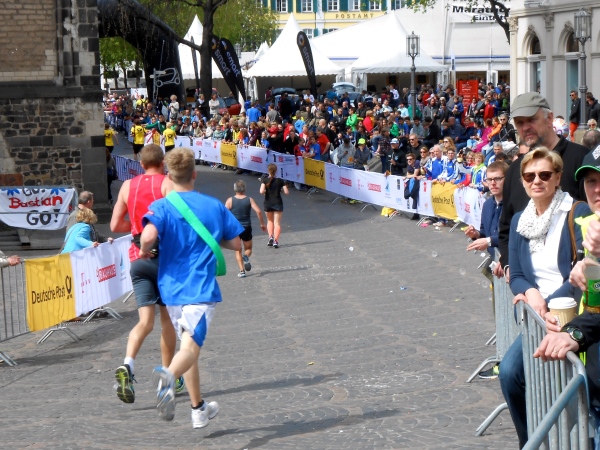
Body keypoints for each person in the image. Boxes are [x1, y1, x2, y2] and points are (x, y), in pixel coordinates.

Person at [138, 147, 242, 429]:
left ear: (169, 176)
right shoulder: (213, 206)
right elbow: (236, 243)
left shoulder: (162, 206)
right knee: (190, 348)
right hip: (199, 290)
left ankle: (198, 409)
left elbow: (147, 236)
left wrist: (144, 249)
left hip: (171, 290)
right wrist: (215, 237)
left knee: (189, 347)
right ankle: (168, 378)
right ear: (194, 174)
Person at [500, 147, 589, 449]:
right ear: (523, 182)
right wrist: (531, 293)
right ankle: (530, 442)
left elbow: (581, 275)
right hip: (537, 317)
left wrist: (549, 305)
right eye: (529, 176)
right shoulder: (519, 221)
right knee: (510, 373)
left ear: (557, 177)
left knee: (573, 384)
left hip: (569, 313)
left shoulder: (576, 213)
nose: (536, 181)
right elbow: (517, 273)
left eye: (544, 174)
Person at [110, 144, 180, 405]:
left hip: (137, 258)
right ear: (163, 163)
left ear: (140, 164)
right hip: (163, 258)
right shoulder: (167, 184)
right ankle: (167, 377)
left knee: (144, 322)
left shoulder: (127, 186)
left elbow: (115, 224)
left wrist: (139, 227)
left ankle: (127, 364)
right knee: (167, 321)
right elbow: (176, 221)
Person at [497, 92, 589, 280]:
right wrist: (508, 266)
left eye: (531, 119)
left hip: (574, 281)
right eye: (520, 123)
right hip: (526, 285)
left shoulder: (582, 159)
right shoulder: (515, 170)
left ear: (549, 118)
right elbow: (506, 228)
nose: (525, 127)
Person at [225, 180, 267, 278]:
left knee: (237, 250)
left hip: (235, 228)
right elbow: (258, 211)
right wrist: (262, 224)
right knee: (248, 248)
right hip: (246, 227)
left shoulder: (230, 200)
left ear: (235, 189)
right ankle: (246, 256)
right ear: (244, 189)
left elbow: (224, 213)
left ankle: (242, 271)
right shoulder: (249, 200)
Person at [260, 163, 289, 249]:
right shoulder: (280, 180)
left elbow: (261, 191)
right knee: (277, 223)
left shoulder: (264, 180)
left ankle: (270, 237)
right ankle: (276, 241)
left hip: (268, 202)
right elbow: (286, 192)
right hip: (277, 202)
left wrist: (266, 191)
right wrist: (280, 190)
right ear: (276, 171)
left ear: (268, 170)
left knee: (269, 220)